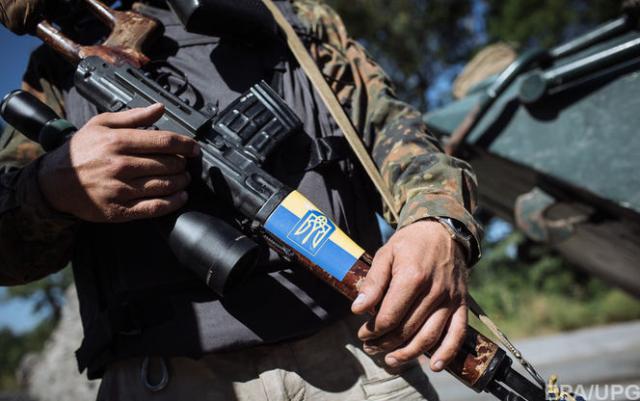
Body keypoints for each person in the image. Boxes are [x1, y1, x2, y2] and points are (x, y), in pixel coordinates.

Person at [0, 0, 482, 399]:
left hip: (357, 357)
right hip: (169, 380)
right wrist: (49, 188)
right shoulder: (53, 73)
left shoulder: (294, 18)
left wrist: (437, 222)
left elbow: (391, 130)